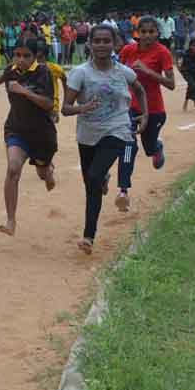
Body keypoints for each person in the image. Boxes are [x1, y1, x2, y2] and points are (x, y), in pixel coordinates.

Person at [62, 24, 148, 254]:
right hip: (88, 134)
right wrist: (84, 108)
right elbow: (65, 108)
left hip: (117, 128)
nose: (101, 45)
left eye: (106, 41)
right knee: (91, 184)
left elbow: (139, 90)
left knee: (93, 176)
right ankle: (102, 177)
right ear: (89, 44)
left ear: (114, 44)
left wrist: (145, 114)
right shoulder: (80, 73)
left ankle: (88, 237)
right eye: (97, 41)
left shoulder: (123, 71)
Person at [0, 37, 56, 237]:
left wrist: (24, 92)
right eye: (17, 55)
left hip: (42, 134)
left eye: (26, 56)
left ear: (35, 56)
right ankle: (11, 220)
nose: (20, 59)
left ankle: (48, 171)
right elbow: (0, 79)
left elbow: (48, 104)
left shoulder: (44, 72)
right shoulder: (11, 70)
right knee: (13, 169)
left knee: (42, 173)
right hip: (16, 129)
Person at [115, 15, 175, 212]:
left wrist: (148, 71)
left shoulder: (163, 52)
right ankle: (123, 191)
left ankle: (156, 147)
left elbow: (171, 84)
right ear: (137, 33)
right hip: (131, 107)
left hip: (155, 110)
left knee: (148, 148)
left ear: (157, 33)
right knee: (128, 146)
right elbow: (118, 72)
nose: (147, 35)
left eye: (151, 31)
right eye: (143, 32)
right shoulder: (128, 50)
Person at [35, 41, 67, 123]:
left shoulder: (54, 68)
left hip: (52, 106)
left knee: (49, 130)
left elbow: (64, 79)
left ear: (44, 55)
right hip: (36, 105)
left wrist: (66, 100)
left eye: (40, 57)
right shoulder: (31, 68)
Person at [178, 39, 195, 111]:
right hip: (186, 71)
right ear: (190, 46)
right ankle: (186, 102)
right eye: (194, 46)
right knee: (192, 85)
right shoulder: (185, 54)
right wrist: (182, 71)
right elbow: (179, 64)